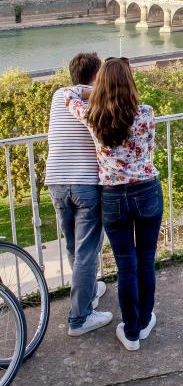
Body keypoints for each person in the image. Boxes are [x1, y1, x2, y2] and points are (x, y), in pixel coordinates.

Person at [64, 58, 163, 351]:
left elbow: (68, 95)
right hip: (146, 192)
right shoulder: (145, 113)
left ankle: (131, 332)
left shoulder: (92, 114)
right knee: (146, 260)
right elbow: (150, 149)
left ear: (102, 84)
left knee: (126, 265)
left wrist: (91, 93)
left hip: (113, 197)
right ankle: (144, 322)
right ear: (131, 83)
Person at [46, 53, 113, 336]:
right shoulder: (98, 102)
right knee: (87, 252)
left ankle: (86, 292)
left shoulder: (60, 96)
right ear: (96, 76)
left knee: (74, 247)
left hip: (56, 182)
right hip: (85, 184)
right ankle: (80, 318)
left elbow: (74, 91)